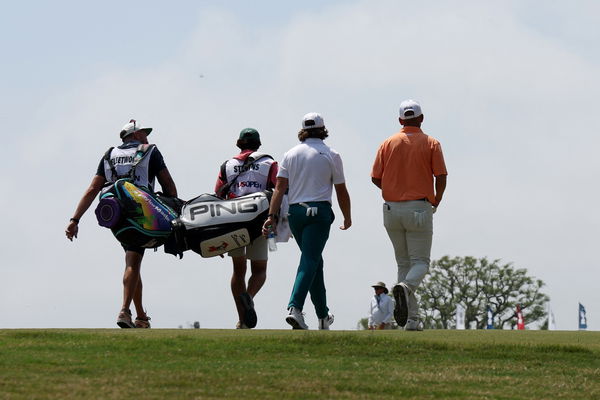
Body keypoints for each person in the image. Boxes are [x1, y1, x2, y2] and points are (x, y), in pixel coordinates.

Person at [65, 119, 177, 328]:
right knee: (133, 262)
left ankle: (141, 316)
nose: (147, 137)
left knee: (132, 260)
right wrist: (171, 208)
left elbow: (93, 189)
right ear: (134, 135)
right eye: (144, 133)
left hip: (115, 216)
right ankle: (125, 311)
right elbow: (168, 185)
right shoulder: (150, 151)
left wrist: (75, 219)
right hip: (142, 212)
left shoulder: (109, 155)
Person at [262, 112, 352, 330]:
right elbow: (341, 190)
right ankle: (295, 307)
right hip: (318, 212)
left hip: (295, 214)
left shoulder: (290, 154)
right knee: (310, 260)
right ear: (323, 130)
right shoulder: (331, 154)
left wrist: (271, 217)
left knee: (314, 262)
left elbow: (279, 188)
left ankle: (322, 316)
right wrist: (347, 216)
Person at [370, 100, 447, 331]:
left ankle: (412, 320)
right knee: (421, 263)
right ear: (421, 119)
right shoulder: (431, 142)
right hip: (419, 207)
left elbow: (375, 177)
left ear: (400, 120)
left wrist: (392, 189)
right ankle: (405, 288)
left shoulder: (387, 143)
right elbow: (441, 175)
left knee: (403, 263)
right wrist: (437, 198)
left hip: (391, 208)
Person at [214, 128, 278, 329]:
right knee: (259, 270)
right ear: (259, 144)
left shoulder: (228, 165)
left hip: (233, 222)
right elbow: (280, 190)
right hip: (259, 221)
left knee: (238, 270)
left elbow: (218, 196)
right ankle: (248, 297)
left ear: (238, 143)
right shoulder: (269, 164)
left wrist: (217, 235)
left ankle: (242, 319)